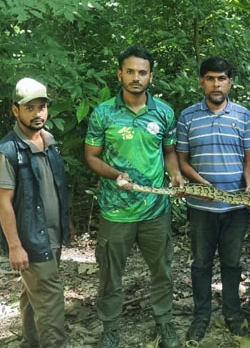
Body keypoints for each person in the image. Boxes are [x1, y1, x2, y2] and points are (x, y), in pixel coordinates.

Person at [84, 46, 184, 348]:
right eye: (130, 71)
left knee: (162, 272)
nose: (136, 77)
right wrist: (115, 175)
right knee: (110, 276)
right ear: (120, 74)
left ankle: (165, 324)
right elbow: (91, 156)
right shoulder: (103, 113)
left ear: (150, 76)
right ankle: (110, 330)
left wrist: (176, 174)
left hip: (155, 210)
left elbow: (168, 152)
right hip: (116, 212)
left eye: (142, 72)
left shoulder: (163, 112)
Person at [176, 57, 250, 341]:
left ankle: (232, 313)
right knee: (200, 263)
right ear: (201, 81)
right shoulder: (187, 116)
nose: (216, 84)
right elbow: (182, 161)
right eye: (210, 78)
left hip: (236, 206)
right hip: (201, 206)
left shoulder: (244, 115)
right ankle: (201, 316)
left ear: (230, 82)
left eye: (221, 78)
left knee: (232, 263)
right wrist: (202, 184)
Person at [0, 77, 70, 348]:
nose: (38, 114)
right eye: (30, 108)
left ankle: (31, 342)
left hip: (52, 234)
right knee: (50, 296)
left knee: (33, 293)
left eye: (42, 107)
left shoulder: (49, 141)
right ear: (15, 110)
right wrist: (15, 246)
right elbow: (3, 203)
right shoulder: (6, 152)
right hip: (31, 240)